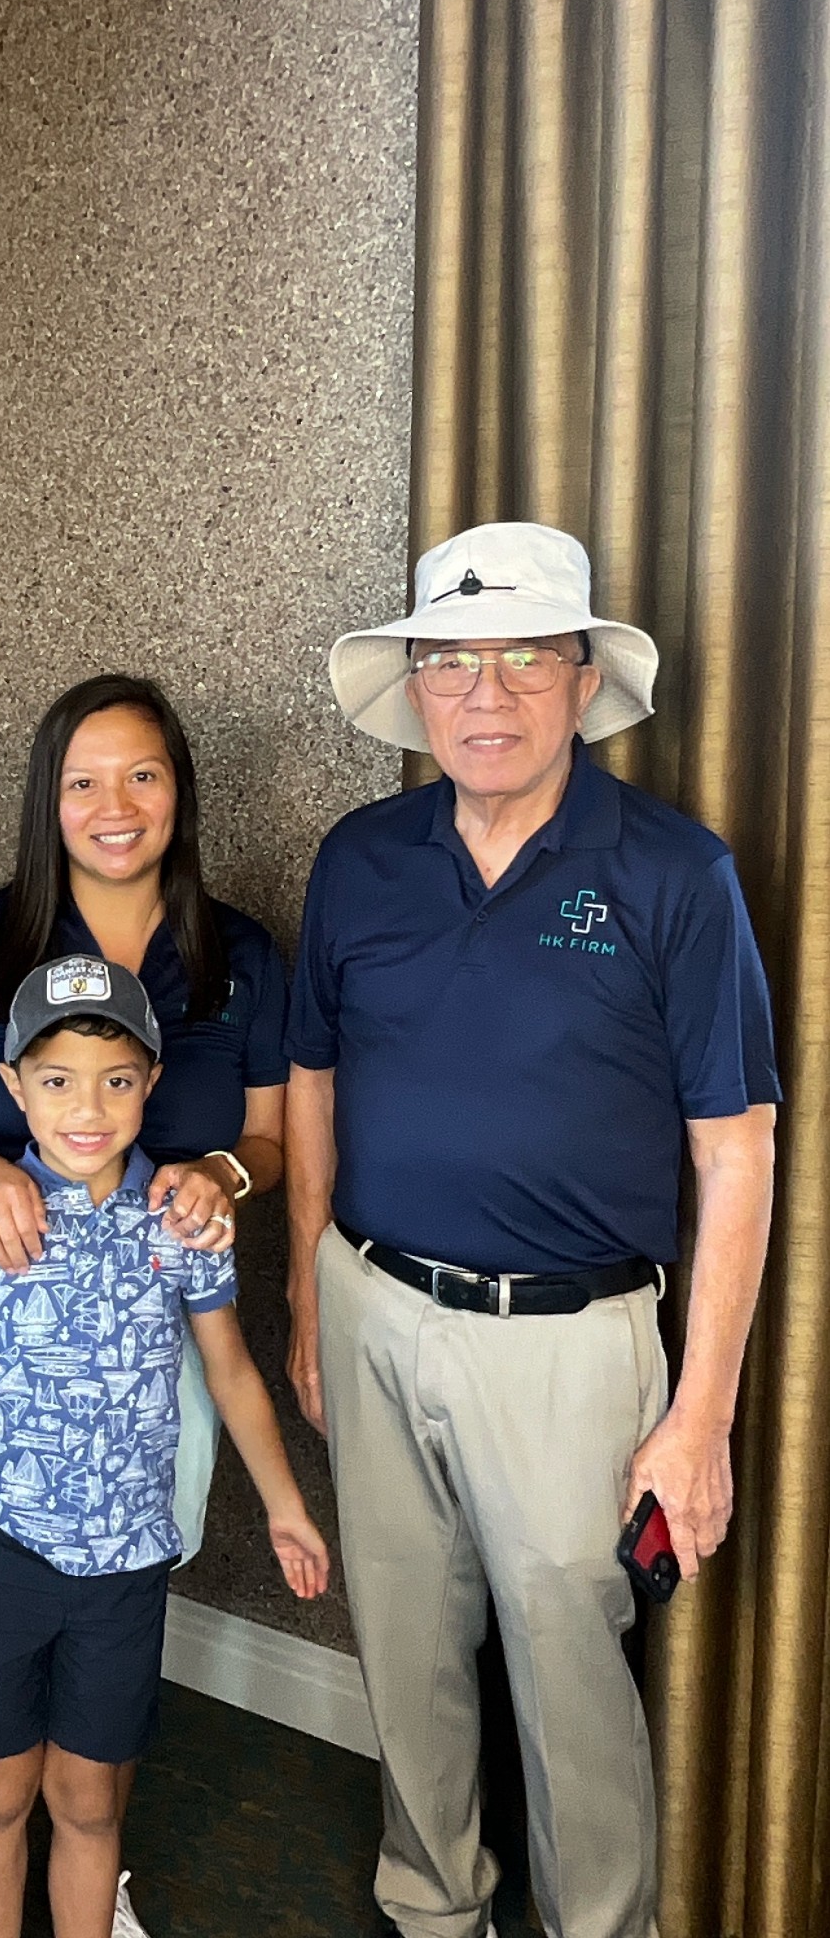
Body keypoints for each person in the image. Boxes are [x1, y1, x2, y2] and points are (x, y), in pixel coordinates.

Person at [284, 522, 778, 1938]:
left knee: (573, 1685)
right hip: (372, 1306)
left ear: (581, 680)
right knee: (406, 1657)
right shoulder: (360, 859)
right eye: (452, 661)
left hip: (571, 1346)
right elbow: (312, 1078)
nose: (485, 694)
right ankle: (433, 1906)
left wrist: (701, 1415)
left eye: (523, 658)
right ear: (417, 687)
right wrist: (312, 1296)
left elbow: (736, 1149)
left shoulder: (677, 873)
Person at [0, 675, 290, 1938]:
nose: (117, 804)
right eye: (84, 779)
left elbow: (271, 1138)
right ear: (47, 799)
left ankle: (92, 1877)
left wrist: (222, 1176)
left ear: (180, 792)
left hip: (151, 1323)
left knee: (112, 1604)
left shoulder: (239, 954)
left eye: (143, 774)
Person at [0, 957, 330, 1938]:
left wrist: (286, 1505)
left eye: (116, 1079)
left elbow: (230, 1373)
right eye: (57, 1079)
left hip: (124, 1564)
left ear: (152, 1080)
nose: (87, 1108)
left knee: (91, 1802)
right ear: (15, 1086)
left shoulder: (182, 1222)